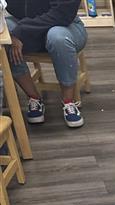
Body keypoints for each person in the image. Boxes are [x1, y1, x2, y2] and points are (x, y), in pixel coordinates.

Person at [6, 0, 87, 128]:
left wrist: (21, 30)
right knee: (4, 35)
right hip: (30, 24)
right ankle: (34, 97)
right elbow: (14, 8)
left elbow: (63, 14)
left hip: (65, 25)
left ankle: (68, 101)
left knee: (57, 37)